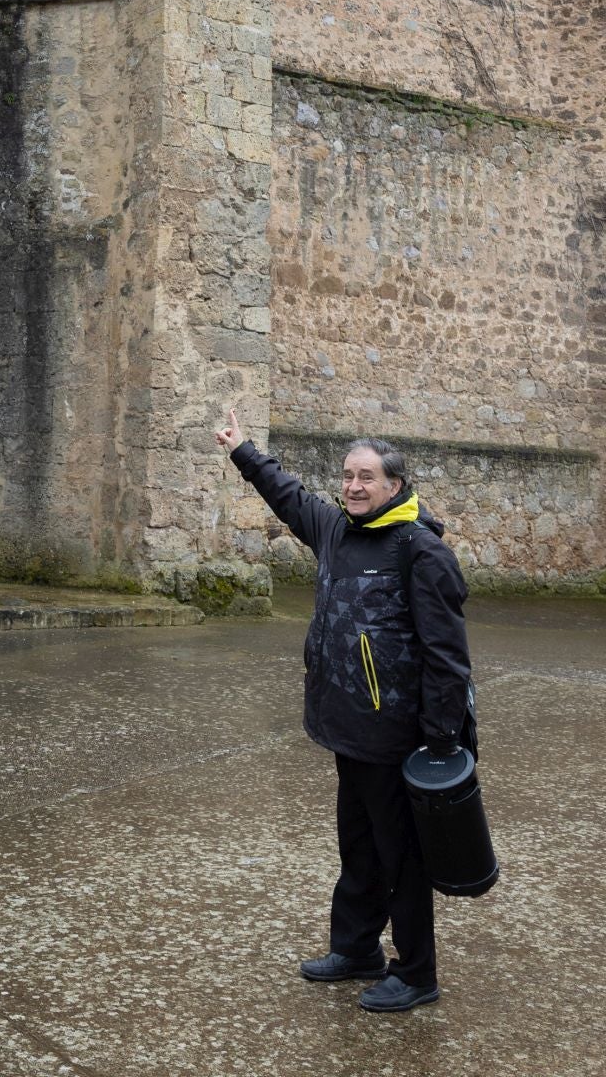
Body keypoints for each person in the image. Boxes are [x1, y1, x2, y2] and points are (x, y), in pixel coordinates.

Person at [215, 407, 472, 1013]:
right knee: (357, 843)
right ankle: (356, 948)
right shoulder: (335, 528)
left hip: (398, 736)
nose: (353, 486)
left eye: (367, 478)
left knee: (401, 854)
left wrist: (440, 739)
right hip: (346, 726)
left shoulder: (421, 551)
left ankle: (416, 972)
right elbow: (288, 496)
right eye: (348, 475)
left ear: (395, 486)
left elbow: (447, 657)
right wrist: (243, 450)